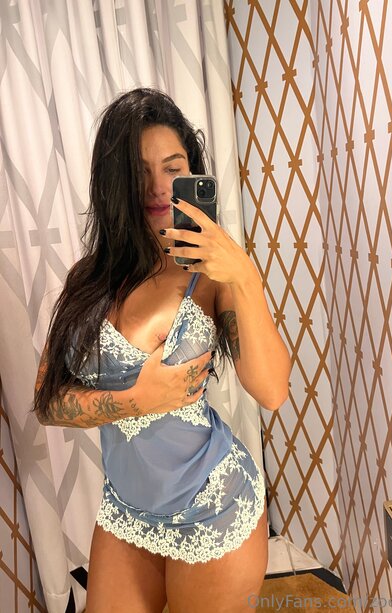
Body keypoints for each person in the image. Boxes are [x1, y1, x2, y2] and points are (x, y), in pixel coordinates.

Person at [34, 87, 291, 613]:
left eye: (173, 168)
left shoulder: (213, 277)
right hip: (127, 510)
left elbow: (272, 391)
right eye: (138, 171)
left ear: (191, 173)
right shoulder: (89, 282)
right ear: (112, 182)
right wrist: (138, 399)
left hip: (213, 506)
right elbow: (47, 401)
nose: (157, 187)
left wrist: (244, 274)